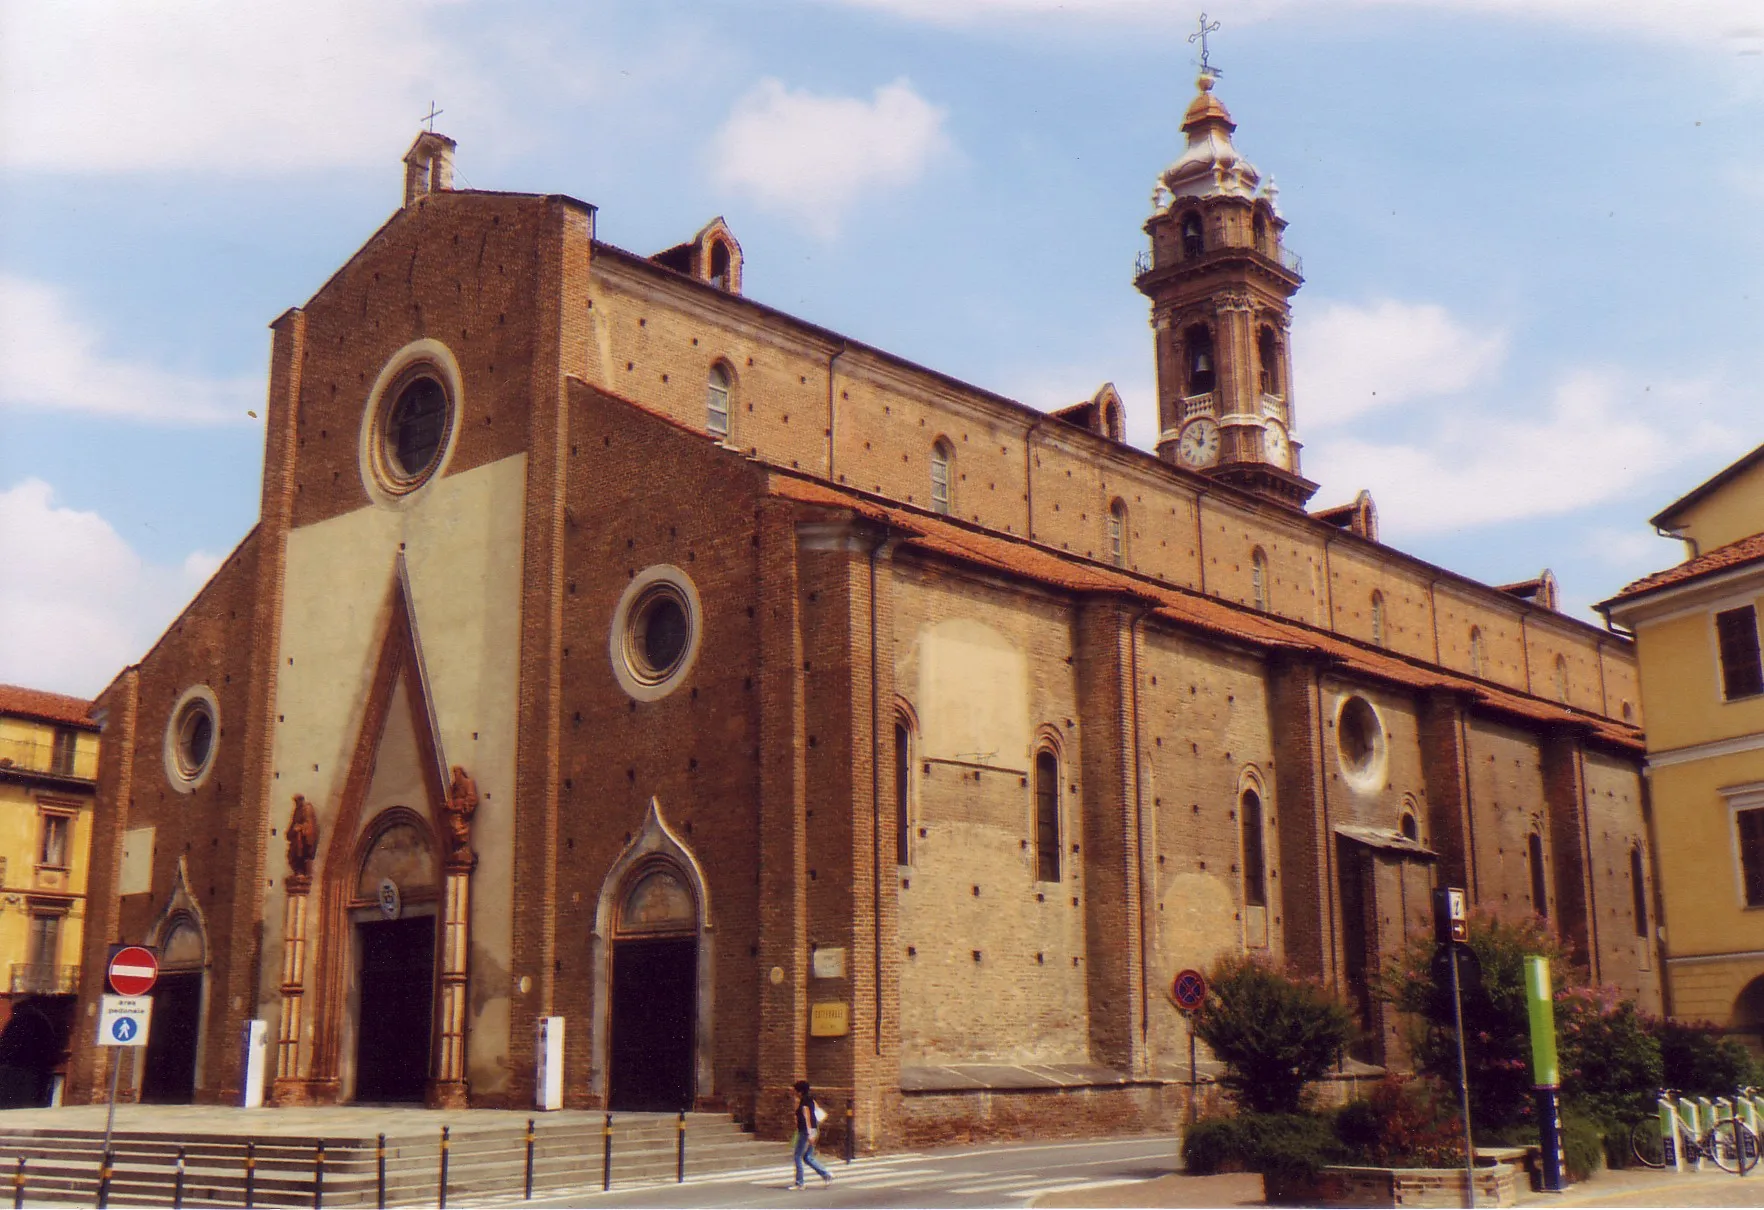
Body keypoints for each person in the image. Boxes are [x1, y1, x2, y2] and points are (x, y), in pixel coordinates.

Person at [790, 1079, 833, 1189]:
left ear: (800, 1091)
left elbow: (807, 1117)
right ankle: (826, 1174)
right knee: (807, 1157)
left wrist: (810, 1134)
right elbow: (817, 1115)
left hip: (806, 1131)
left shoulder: (804, 1102)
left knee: (798, 1156)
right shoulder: (811, 1100)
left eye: (795, 1090)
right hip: (813, 1130)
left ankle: (800, 1183)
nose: (794, 1092)